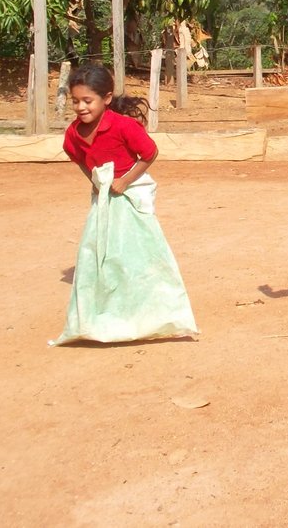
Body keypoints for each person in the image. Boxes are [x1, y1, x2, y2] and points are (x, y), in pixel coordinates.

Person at [51, 63, 197, 345]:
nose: (81, 107)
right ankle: (104, 319)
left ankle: (155, 315)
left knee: (139, 257)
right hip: (104, 199)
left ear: (106, 99)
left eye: (87, 101)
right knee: (99, 255)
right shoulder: (73, 133)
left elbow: (149, 152)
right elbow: (79, 158)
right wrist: (94, 181)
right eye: (76, 101)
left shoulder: (123, 126)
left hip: (131, 197)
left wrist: (126, 181)